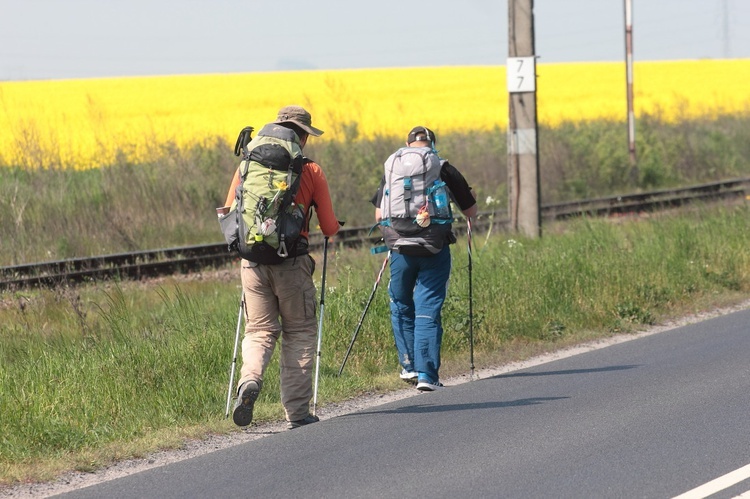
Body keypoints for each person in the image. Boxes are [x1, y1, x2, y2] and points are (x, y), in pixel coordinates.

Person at [223, 105, 340, 429]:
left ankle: (249, 380)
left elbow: (231, 211)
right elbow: (329, 227)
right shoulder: (311, 170)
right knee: (299, 332)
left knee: (259, 331)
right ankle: (297, 411)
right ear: (302, 135)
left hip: (253, 262)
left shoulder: (248, 164)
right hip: (291, 263)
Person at [372, 126, 477, 391]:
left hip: (400, 250)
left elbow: (378, 216)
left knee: (400, 303)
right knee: (427, 307)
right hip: (434, 248)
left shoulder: (394, 168)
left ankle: (408, 366)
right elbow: (471, 211)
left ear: (407, 144)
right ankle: (427, 376)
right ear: (432, 144)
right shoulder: (443, 168)